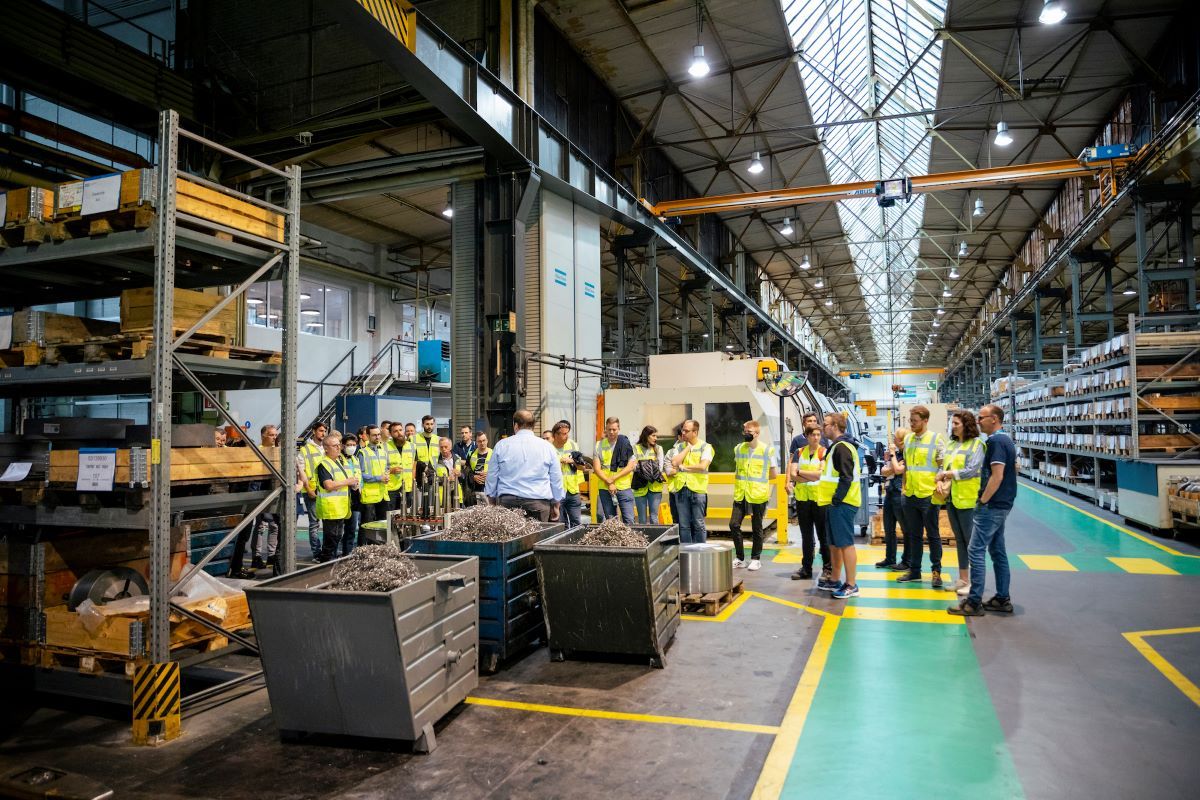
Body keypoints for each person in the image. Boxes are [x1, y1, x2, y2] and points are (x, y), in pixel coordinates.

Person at [950, 405, 1016, 616]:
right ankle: (1002, 598)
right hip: (1003, 503)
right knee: (997, 551)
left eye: (982, 417)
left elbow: (997, 476)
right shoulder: (1005, 440)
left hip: (993, 505)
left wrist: (983, 500)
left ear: (994, 419)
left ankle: (974, 601)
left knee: (975, 550)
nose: (979, 421)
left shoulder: (996, 441)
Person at [484, 409, 564, 521]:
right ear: (533, 426)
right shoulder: (547, 447)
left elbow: (492, 476)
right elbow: (556, 478)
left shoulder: (501, 445)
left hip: (508, 503)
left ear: (516, 425)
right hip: (538, 503)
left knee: (510, 537)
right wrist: (556, 504)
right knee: (538, 538)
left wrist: (491, 502)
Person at [899, 405, 946, 587]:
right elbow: (908, 466)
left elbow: (942, 465)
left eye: (915, 421)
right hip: (911, 494)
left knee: (933, 535)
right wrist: (904, 488)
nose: (911, 424)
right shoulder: (909, 439)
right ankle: (915, 571)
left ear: (925, 421)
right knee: (914, 535)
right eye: (910, 420)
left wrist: (940, 482)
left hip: (928, 495)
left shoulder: (936, 439)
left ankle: (936, 572)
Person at [938, 411, 985, 595]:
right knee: (959, 540)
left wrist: (948, 475)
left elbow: (972, 470)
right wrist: (941, 479)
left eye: (956, 423)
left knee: (970, 542)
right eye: (952, 423)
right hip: (952, 498)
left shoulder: (977, 444)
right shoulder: (951, 444)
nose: (953, 426)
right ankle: (963, 579)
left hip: (968, 499)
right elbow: (944, 466)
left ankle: (974, 582)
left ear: (967, 425)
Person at [818, 412, 861, 599]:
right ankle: (835, 579)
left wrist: (837, 498)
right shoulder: (836, 447)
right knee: (835, 543)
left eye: (825, 424)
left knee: (845, 544)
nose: (822, 427)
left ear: (835, 426)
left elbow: (846, 477)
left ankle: (851, 584)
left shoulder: (842, 448)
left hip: (842, 503)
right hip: (835, 503)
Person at [730, 420, 778, 571]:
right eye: (744, 431)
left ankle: (756, 558)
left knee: (757, 528)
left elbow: (773, 474)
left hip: (757, 495)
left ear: (757, 434)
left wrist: (757, 482)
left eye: (748, 432)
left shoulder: (766, 450)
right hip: (741, 494)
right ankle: (740, 558)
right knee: (733, 524)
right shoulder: (738, 449)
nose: (745, 434)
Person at [788, 425, 829, 581]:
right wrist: (809, 475)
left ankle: (827, 568)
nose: (816, 437)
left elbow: (821, 475)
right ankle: (806, 568)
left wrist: (801, 473)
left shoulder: (824, 452)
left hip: (819, 500)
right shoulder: (799, 452)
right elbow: (792, 474)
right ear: (807, 436)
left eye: (819, 434)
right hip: (803, 500)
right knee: (806, 536)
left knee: (823, 535)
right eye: (813, 435)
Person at [313, 433, 358, 562]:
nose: (339, 448)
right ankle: (325, 565)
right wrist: (348, 482)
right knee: (331, 540)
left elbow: (347, 479)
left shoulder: (339, 461)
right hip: (331, 508)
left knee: (336, 538)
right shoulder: (324, 464)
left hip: (341, 508)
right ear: (326, 448)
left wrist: (353, 483)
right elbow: (328, 485)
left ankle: (330, 563)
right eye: (335, 446)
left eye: (339, 445)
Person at [671, 419, 714, 544]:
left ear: (695, 432)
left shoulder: (706, 447)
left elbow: (703, 466)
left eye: (686, 430)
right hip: (681, 489)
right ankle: (686, 552)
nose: (683, 432)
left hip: (697, 490)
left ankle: (700, 551)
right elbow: (674, 462)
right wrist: (687, 448)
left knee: (698, 523)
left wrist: (684, 467)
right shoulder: (679, 446)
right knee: (684, 525)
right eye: (682, 430)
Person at [875, 428, 910, 571]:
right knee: (889, 528)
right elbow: (884, 471)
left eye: (894, 437)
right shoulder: (895, 454)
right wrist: (893, 465)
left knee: (905, 529)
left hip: (900, 493)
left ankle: (907, 561)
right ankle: (890, 558)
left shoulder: (907, 454)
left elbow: (897, 470)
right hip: (890, 492)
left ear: (901, 440)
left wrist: (893, 461)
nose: (892, 440)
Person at [593, 417, 636, 523]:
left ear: (619, 429)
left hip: (623, 487)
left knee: (629, 520)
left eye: (614, 429)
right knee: (611, 521)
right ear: (605, 429)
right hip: (605, 487)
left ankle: (629, 540)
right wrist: (608, 482)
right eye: (609, 429)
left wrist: (612, 479)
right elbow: (597, 468)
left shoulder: (625, 443)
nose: (611, 432)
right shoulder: (599, 445)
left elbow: (630, 466)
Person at [299, 422, 327, 561]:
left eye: (325, 431)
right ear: (313, 431)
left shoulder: (326, 448)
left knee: (328, 522)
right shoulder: (305, 450)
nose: (323, 433)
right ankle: (317, 553)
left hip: (327, 490)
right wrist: (309, 489)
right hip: (312, 490)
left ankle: (326, 551)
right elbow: (301, 471)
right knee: (314, 524)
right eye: (321, 431)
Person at [551, 420, 586, 527]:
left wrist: (572, 461)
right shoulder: (549, 448)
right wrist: (559, 462)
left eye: (568, 433)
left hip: (573, 490)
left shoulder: (573, 445)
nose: (567, 436)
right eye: (564, 434)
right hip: (557, 492)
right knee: (561, 524)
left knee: (576, 523)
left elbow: (582, 467)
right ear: (555, 435)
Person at [357, 425, 391, 529]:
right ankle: (363, 546)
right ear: (367, 435)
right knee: (366, 528)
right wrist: (379, 478)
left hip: (383, 495)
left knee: (382, 527)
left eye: (378, 434)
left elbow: (387, 468)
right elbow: (360, 475)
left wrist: (386, 476)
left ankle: (379, 546)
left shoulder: (383, 452)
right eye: (374, 435)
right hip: (369, 497)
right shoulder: (362, 453)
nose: (377, 437)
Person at [632, 426, 666, 525]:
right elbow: (633, 466)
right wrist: (650, 465)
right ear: (646, 436)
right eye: (653, 435)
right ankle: (643, 540)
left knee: (654, 518)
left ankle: (655, 540)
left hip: (655, 487)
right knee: (642, 520)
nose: (656, 438)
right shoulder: (635, 448)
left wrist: (642, 466)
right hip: (640, 488)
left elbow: (660, 468)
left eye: (656, 436)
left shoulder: (659, 448)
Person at [338, 433, 363, 556]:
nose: (352, 447)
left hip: (355, 497)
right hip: (341, 496)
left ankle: (348, 554)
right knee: (338, 530)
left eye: (354, 445)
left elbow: (359, 477)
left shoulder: (355, 459)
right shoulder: (338, 459)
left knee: (352, 529)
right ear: (342, 446)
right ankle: (342, 553)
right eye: (349, 445)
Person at [384, 423, 407, 512]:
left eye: (400, 430)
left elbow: (413, 466)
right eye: (395, 431)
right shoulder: (384, 447)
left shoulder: (411, 446)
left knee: (405, 516)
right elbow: (379, 468)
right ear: (390, 434)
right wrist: (391, 470)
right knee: (391, 516)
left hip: (406, 487)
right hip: (391, 488)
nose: (399, 433)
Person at [465, 431, 492, 506]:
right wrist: (473, 477)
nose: (482, 443)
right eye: (479, 441)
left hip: (489, 491)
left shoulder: (493, 453)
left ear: (487, 441)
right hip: (475, 491)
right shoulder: (471, 454)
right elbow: (466, 471)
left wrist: (489, 474)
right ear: (476, 442)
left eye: (484, 440)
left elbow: (499, 470)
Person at [435, 437, 464, 506]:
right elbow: (431, 478)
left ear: (450, 447)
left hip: (456, 495)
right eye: (441, 447)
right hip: (442, 497)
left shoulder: (458, 458)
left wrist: (460, 474)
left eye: (446, 447)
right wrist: (446, 479)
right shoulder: (435, 460)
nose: (444, 449)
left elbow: (464, 476)